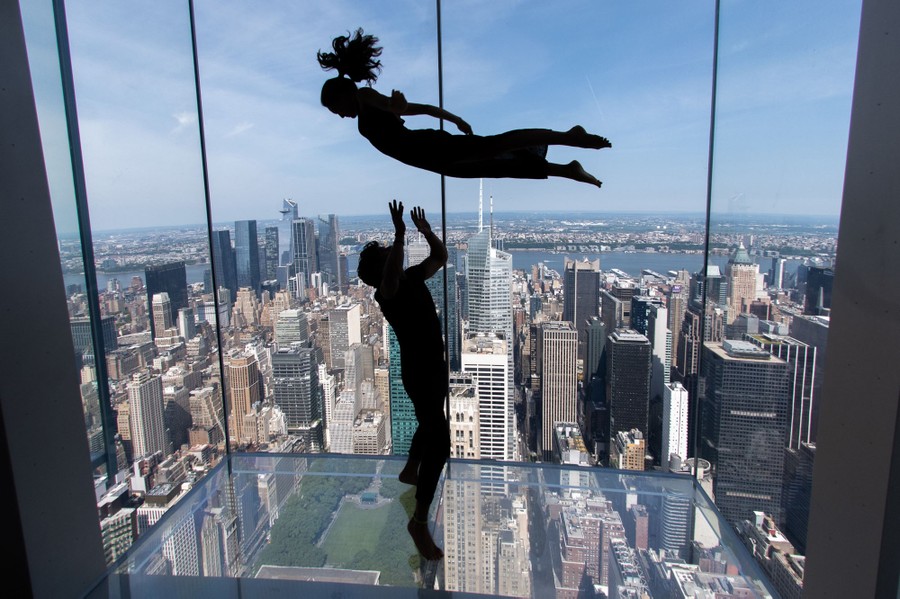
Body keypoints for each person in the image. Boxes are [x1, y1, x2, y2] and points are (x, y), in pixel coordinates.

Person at [318, 29, 611, 187]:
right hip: (431, 158)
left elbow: (405, 107)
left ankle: (569, 137)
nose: (341, 115)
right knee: (497, 165)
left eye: (336, 109)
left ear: (342, 95)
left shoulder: (366, 98)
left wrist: (397, 105)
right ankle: (566, 169)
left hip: (431, 150)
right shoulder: (367, 103)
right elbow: (421, 109)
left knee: (497, 147)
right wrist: (455, 118)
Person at [357, 200, 450, 560]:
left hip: (433, 366)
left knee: (430, 423)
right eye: (384, 253)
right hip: (420, 372)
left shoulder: (409, 277)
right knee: (439, 442)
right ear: (380, 269)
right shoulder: (388, 292)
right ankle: (419, 521)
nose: (389, 252)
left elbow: (439, 258)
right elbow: (392, 274)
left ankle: (412, 467)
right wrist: (398, 234)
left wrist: (426, 232)